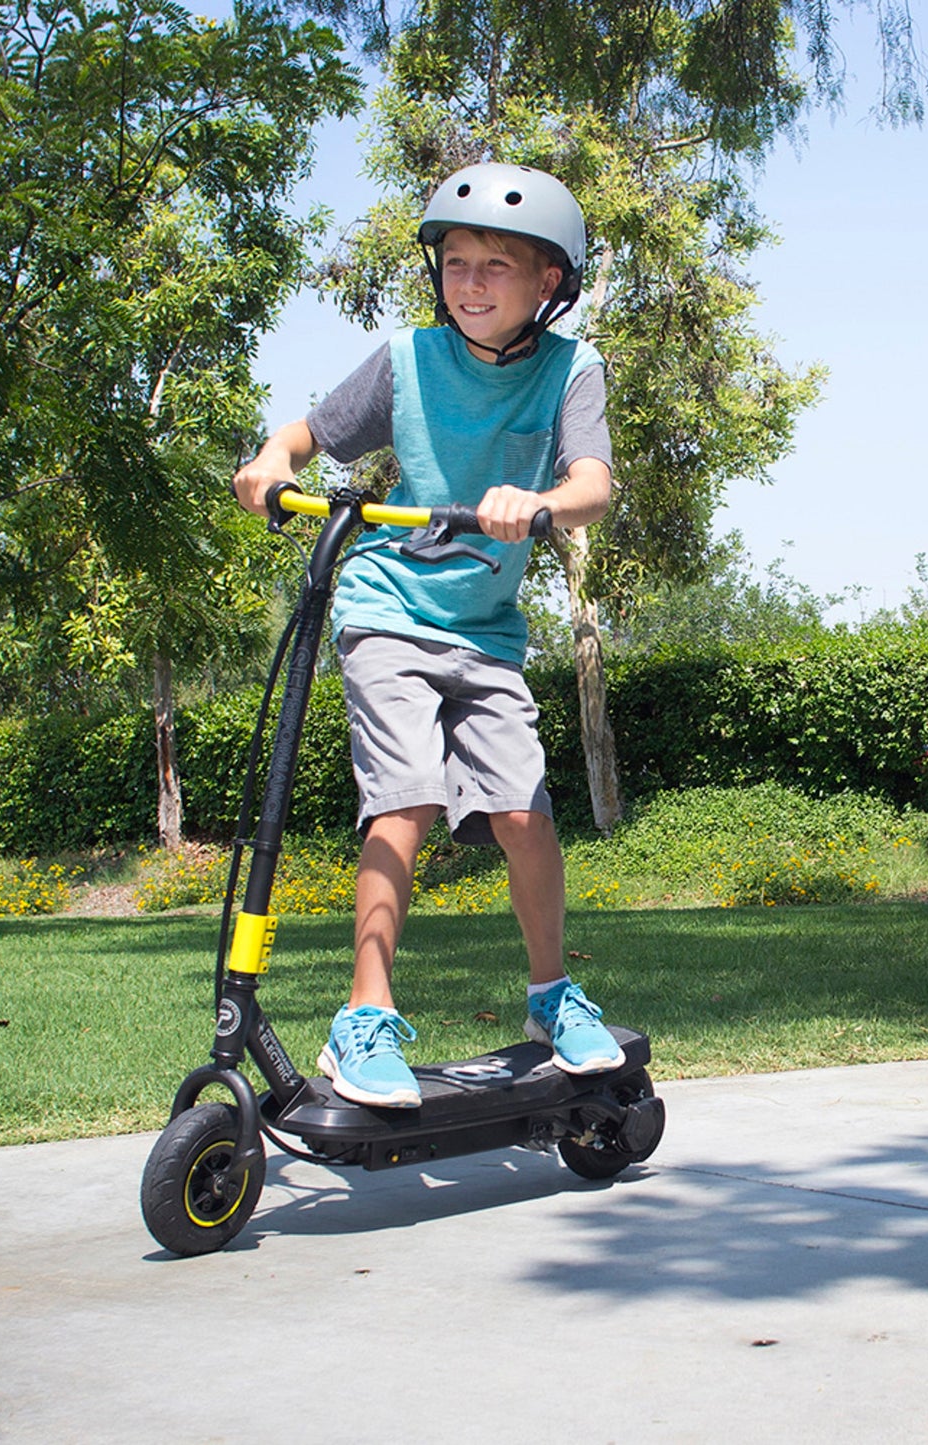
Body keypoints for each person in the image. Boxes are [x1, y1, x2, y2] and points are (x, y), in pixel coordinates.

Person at [234, 161, 624, 1108]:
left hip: (485, 628)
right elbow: (308, 435)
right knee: (403, 801)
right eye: (456, 261)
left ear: (549, 285)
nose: (473, 281)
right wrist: (269, 459)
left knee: (523, 813)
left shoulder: (572, 370)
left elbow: (592, 486)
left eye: (499, 263)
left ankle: (551, 995)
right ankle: (363, 1014)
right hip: (386, 609)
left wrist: (537, 501)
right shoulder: (405, 359)